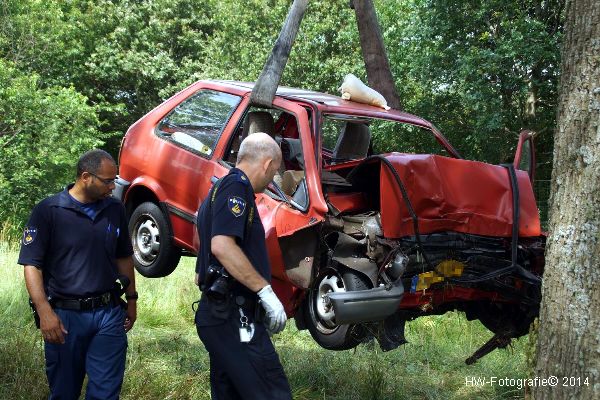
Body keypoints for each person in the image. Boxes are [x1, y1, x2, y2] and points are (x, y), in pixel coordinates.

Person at [18, 149, 137, 400]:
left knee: (105, 393)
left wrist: (132, 299)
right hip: (64, 317)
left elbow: (124, 256)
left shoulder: (114, 209)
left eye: (115, 179)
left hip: (108, 313)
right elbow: (31, 265)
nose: (113, 185)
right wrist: (44, 312)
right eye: (107, 180)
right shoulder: (48, 210)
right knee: (64, 392)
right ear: (85, 177)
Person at [194, 132, 292, 400]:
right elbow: (222, 246)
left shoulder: (217, 188)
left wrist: (202, 270)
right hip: (234, 314)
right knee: (271, 392)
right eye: (275, 171)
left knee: (230, 393)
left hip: (219, 313)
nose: (273, 178)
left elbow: (199, 239)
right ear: (266, 163)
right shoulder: (237, 188)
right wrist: (265, 292)